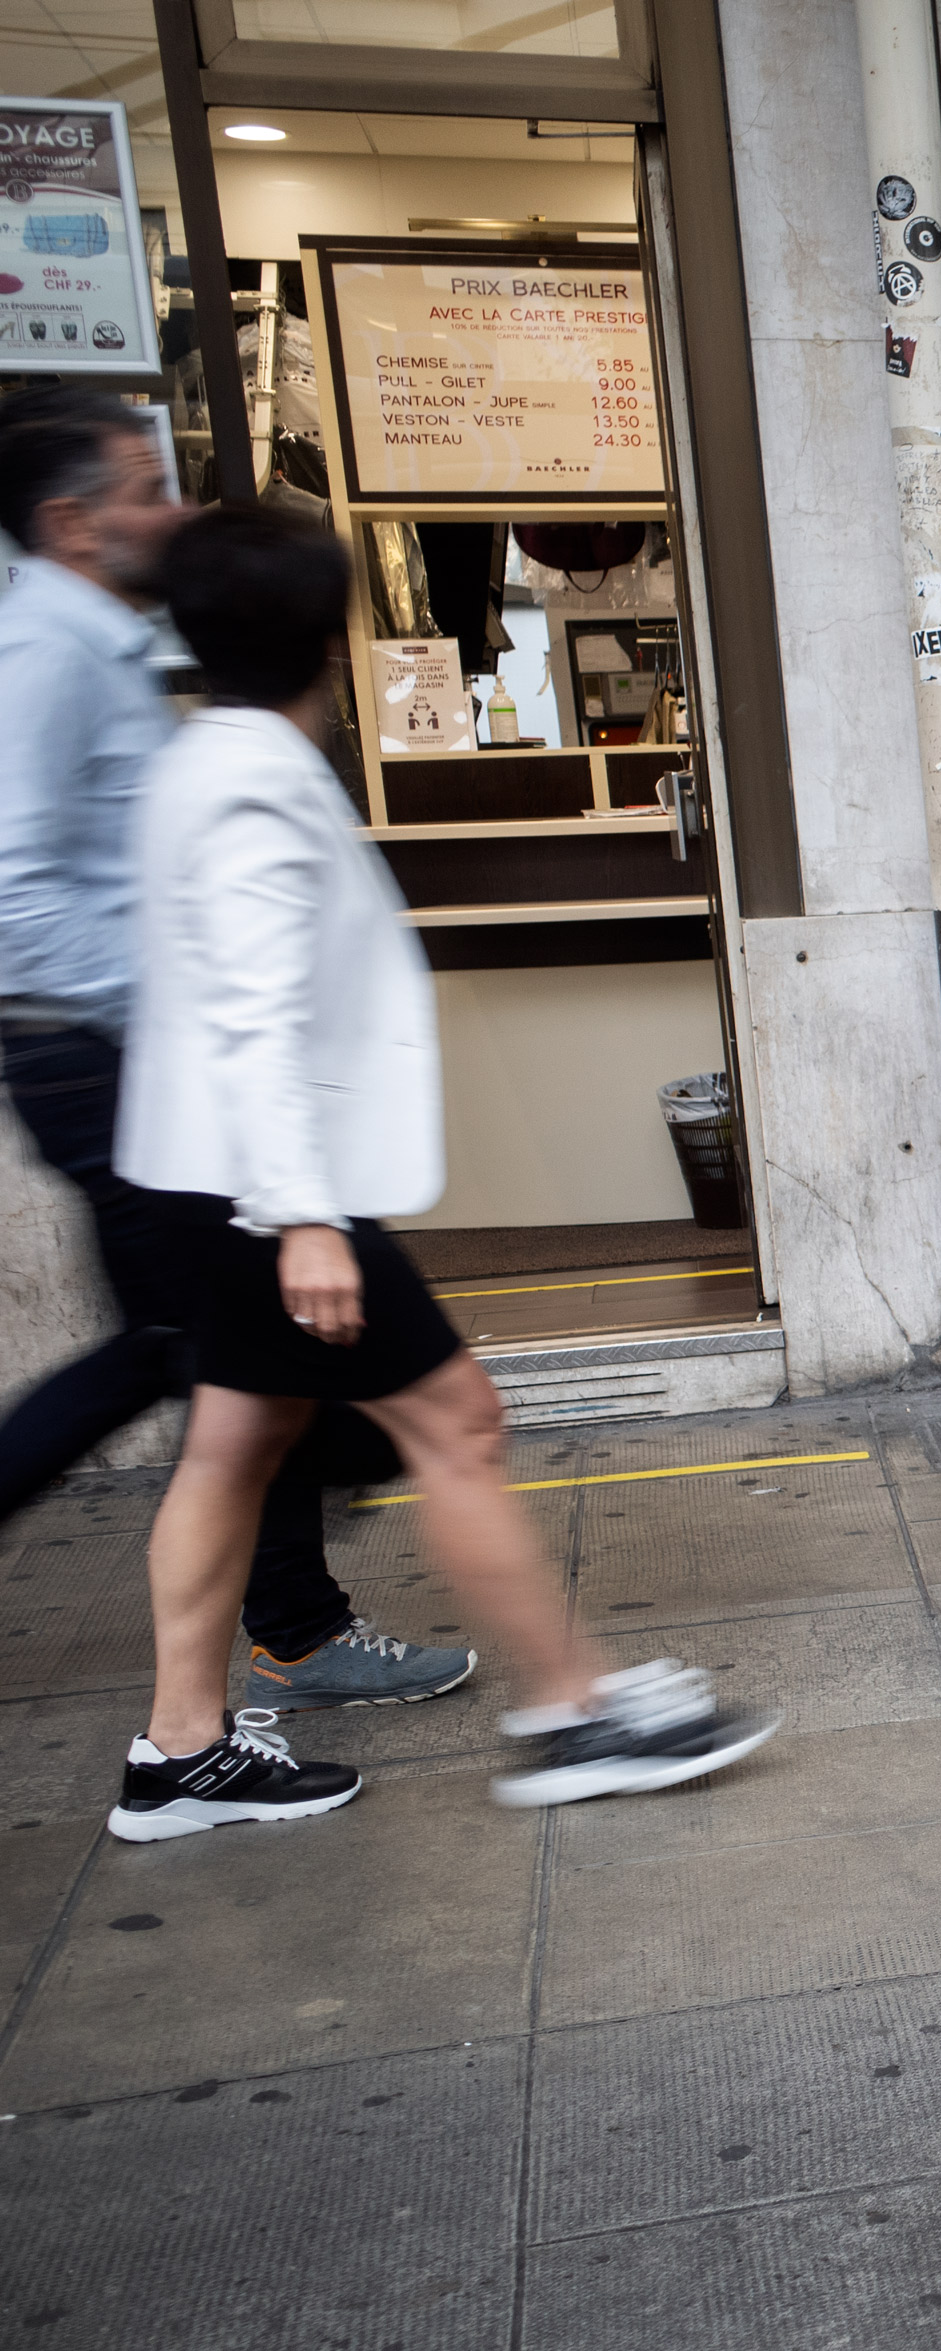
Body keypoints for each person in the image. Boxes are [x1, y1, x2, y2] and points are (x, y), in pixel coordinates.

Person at [104, 504, 775, 1841]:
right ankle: (573, 1709)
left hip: (206, 1177)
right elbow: (253, 1016)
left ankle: (179, 1748)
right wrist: (303, 1219)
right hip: (266, 1191)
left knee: (234, 1444)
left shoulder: (203, 758)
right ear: (326, 632)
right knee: (453, 1419)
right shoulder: (250, 781)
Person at [0, 389, 468, 1718]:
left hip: (154, 1070)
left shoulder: (122, 661)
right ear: (71, 522)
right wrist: (187, 1012)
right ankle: (266, 1672)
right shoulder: (53, 654)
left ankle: (224, 1701)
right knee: (226, 1373)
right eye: (149, 488)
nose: (180, 508)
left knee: (224, 1378)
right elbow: (18, 889)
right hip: (111, 1062)